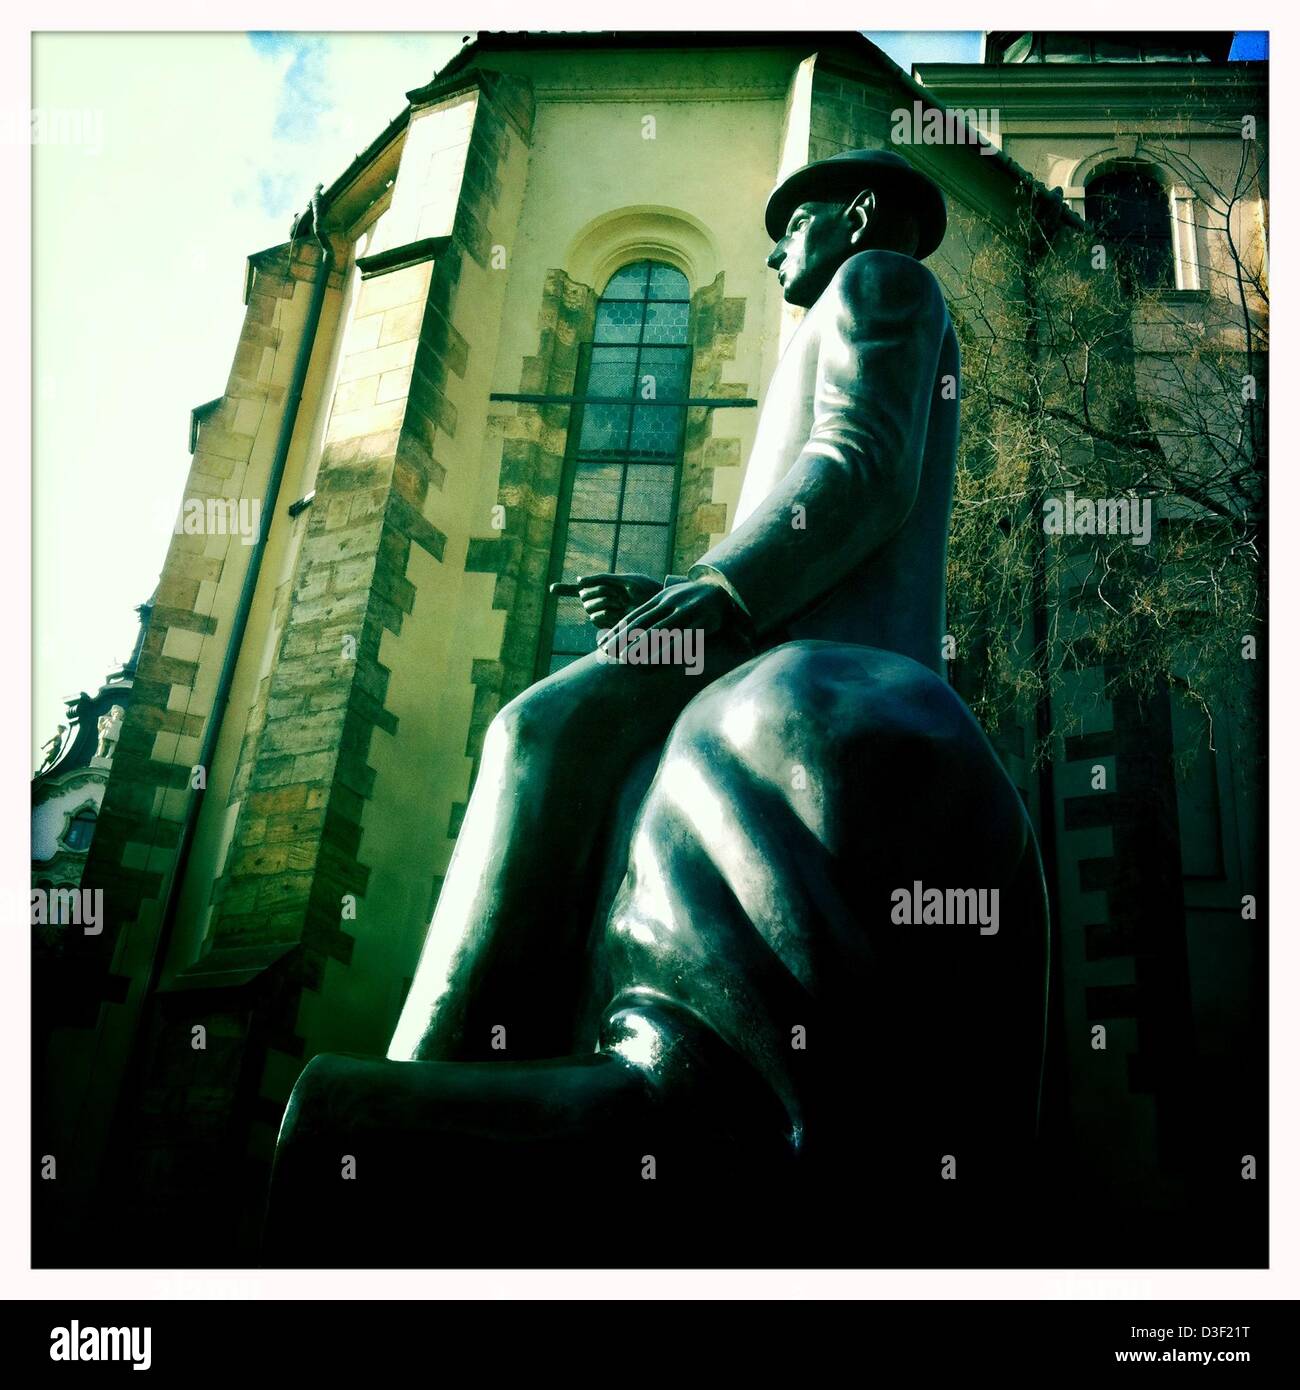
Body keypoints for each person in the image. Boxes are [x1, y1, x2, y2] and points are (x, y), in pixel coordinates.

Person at [267, 151, 1048, 1265]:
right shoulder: (824, 316)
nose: (777, 247)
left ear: (860, 215)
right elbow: (808, 499)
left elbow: (864, 469)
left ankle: (445, 1074)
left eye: (794, 224)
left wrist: (719, 593)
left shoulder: (879, 283)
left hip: (794, 636)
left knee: (536, 730)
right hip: (764, 619)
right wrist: (683, 587)